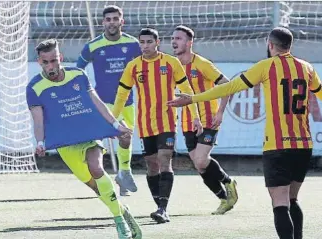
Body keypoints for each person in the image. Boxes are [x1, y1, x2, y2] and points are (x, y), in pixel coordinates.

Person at [167, 27, 322, 239]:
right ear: (289, 45)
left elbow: (230, 87)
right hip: (303, 145)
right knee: (292, 199)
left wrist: (192, 99)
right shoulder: (306, 67)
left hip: (277, 145)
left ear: (270, 44)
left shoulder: (266, 67)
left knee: (280, 202)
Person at [27, 39, 142, 239]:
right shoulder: (34, 87)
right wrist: (39, 142)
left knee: (96, 167)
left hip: (89, 135)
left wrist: (116, 125)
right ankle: (123, 211)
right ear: (39, 62)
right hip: (65, 143)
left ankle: (118, 222)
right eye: (46, 62)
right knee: (97, 188)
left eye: (54, 60)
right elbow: (38, 121)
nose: (51, 66)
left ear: (60, 58)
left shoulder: (78, 75)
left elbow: (97, 103)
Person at [112, 28, 202, 224]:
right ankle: (159, 205)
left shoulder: (170, 62)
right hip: (144, 124)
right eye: (142, 42)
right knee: (152, 166)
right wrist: (112, 122)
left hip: (167, 121)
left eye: (149, 42)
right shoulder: (133, 66)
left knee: (164, 159)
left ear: (157, 42)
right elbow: (121, 95)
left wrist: (195, 116)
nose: (145, 46)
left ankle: (163, 208)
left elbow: (187, 91)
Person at [171, 25, 238, 215]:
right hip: (187, 121)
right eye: (173, 38)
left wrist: (220, 113)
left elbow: (227, 85)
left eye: (179, 38)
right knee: (200, 166)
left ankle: (228, 182)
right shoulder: (173, 66)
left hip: (208, 118)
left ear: (189, 42)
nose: (174, 42)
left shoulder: (202, 64)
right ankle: (224, 199)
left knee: (201, 160)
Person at [76, 5, 141, 196]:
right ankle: (98, 181)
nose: (112, 22)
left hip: (126, 101)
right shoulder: (93, 46)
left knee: (126, 138)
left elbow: (144, 68)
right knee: (95, 142)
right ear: (103, 22)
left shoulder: (133, 44)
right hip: (102, 103)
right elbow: (79, 70)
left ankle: (123, 176)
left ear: (122, 21)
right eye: (108, 19)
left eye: (115, 19)